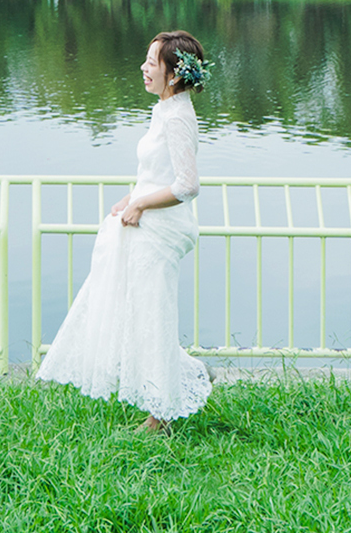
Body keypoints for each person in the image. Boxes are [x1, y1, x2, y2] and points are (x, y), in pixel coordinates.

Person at [36, 30, 213, 432]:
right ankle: (187, 375)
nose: (144, 68)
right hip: (145, 222)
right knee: (137, 313)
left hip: (162, 231)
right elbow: (155, 171)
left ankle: (161, 415)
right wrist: (128, 196)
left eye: (152, 62)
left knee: (153, 315)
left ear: (174, 73)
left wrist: (140, 204)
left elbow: (187, 185)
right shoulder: (163, 110)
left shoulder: (181, 117)